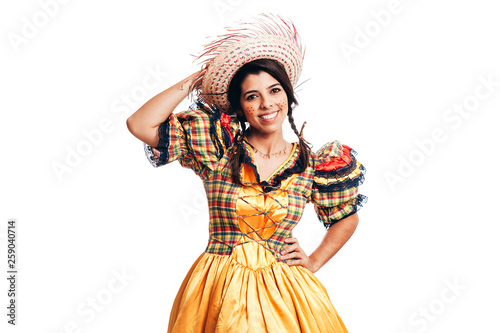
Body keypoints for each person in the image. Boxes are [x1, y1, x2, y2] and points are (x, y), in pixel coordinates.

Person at [127, 13, 367, 333]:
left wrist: (313, 261)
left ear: (288, 96)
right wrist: (201, 78)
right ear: (240, 106)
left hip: (287, 295)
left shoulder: (312, 164)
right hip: (217, 288)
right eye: (252, 96)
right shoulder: (216, 149)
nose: (267, 104)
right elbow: (140, 124)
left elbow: (346, 217)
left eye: (275, 91)